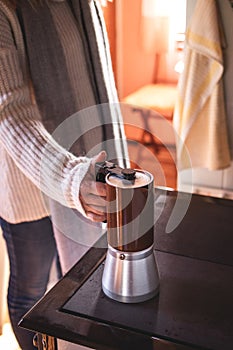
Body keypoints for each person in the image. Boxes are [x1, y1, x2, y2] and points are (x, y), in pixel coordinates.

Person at [0, 0, 128, 349]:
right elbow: (9, 111)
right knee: (31, 290)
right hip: (29, 184)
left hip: (88, 172)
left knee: (80, 287)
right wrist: (71, 178)